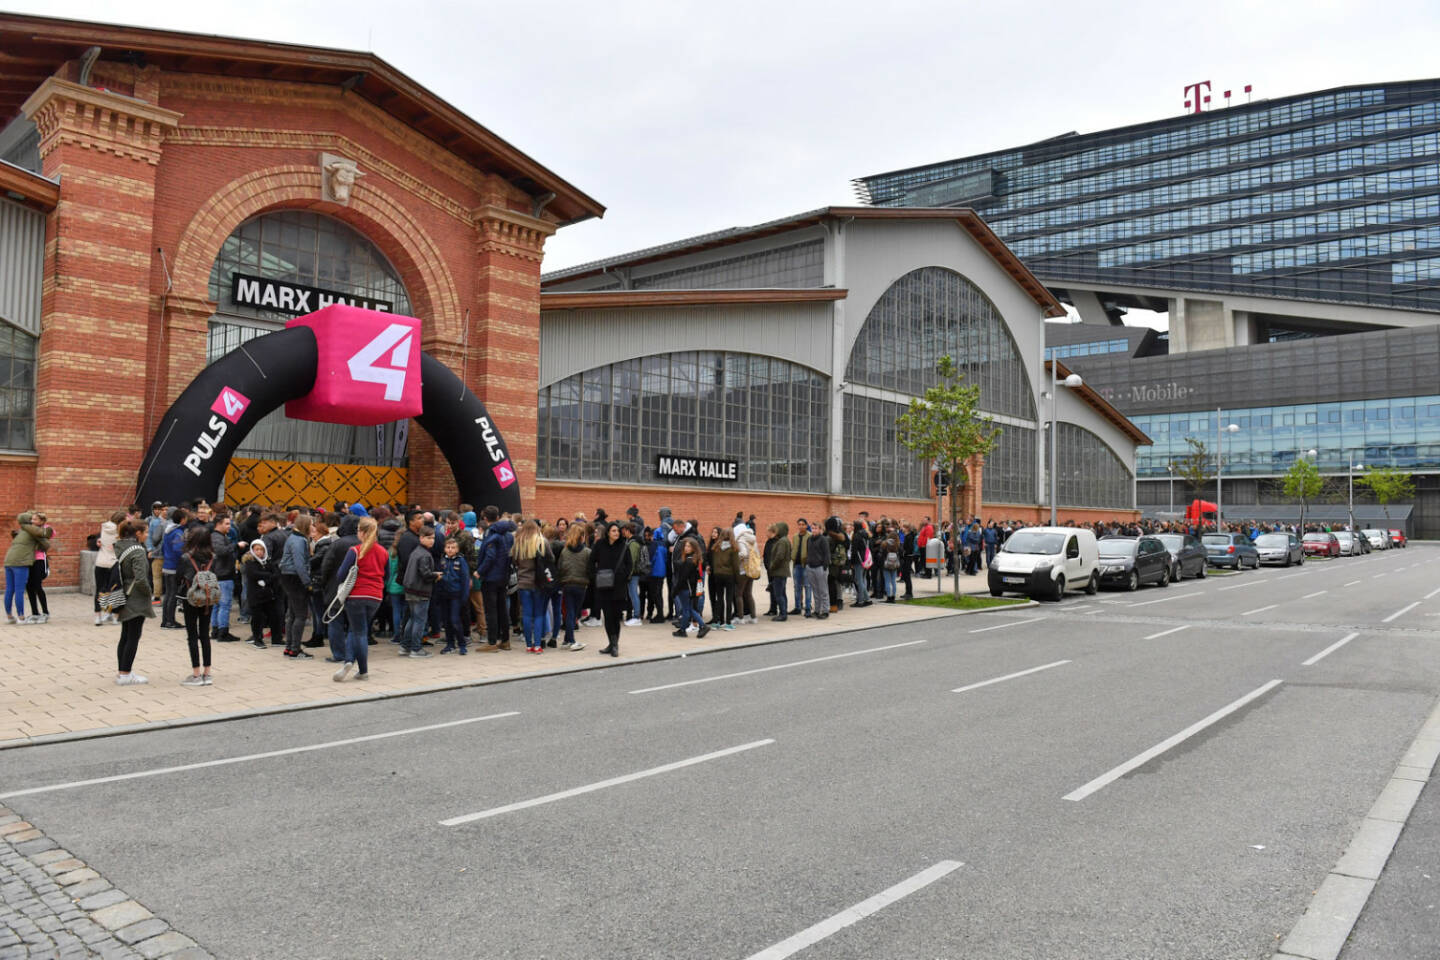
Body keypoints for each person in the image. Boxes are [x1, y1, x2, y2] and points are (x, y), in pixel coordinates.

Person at [332, 516, 387, 681]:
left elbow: (341, 574)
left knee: (358, 632)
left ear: (362, 532)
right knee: (359, 631)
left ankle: (359, 668)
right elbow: (387, 575)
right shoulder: (383, 551)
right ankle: (353, 665)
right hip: (375, 596)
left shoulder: (354, 551)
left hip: (356, 595)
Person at [112, 519, 154, 684]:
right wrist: (148, 592)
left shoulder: (120, 546)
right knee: (133, 636)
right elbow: (141, 578)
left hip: (123, 594)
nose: (147, 535)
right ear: (138, 534)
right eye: (146, 532)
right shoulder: (137, 550)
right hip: (135, 596)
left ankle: (122, 671)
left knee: (125, 634)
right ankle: (126, 673)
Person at [177, 526, 216, 685]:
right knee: (205, 634)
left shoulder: (186, 558)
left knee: (192, 635)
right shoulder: (214, 557)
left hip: (191, 598)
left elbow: (180, 576)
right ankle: (207, 673)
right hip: (208, 598)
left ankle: (196, 674)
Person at [475, 506, 515, 652]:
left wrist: (480, 571)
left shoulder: (491, 535)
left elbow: (490, 556)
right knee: (502, 608)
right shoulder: (508, 535)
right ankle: (505, 640)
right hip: (503, 576)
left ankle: (492, 642)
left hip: (491, 577)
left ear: (485, 519)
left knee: (491, 610)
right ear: (497, 517)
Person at [590, 521, 631, 656]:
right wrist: (595, 576)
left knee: (616, 617)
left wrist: (623, 576)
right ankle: (611, 643)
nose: (616, 533)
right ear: (608, 532)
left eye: (618, 531)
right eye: (613, 531)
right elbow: (591, 561)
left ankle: (615, 645)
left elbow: (629, 564)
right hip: (603, 586)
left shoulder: (624, 546)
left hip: (619, 587)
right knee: (607, 617)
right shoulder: (600, 545)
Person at [512, 520, 553, 653]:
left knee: (527, 614)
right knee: (539, 614)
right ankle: (537, 645)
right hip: (539, 582)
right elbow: (551, 559)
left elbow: (514, 561)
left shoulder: (518, 543)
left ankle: (528, 645)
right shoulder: (542, 542)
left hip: (523, 582)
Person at [279, 514, 313, 658]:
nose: (312, 526)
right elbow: (299, 564)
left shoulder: (292, 537)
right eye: (311, 524)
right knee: (300, 615)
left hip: (287, 576)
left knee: (292, 614)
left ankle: (289, 647)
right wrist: (307, 582)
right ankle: (295, 649)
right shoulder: (299, 541)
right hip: (295, 578)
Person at [401, 525, 438, 657]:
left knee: (413, 618)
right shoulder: (424, 554)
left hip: (411, 589)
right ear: (421, 538)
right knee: (419, 620)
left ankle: (405, 646)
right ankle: (416, 649)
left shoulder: (416, 551)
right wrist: (436, 575)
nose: (432, 540)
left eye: (433, 538)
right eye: (428, 538)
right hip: (420, 591)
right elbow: (425, 574)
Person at [5, 511, 47, 624]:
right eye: (32, 519)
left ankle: (9, 616)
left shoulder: (22, 530)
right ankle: (21, 617)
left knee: (9, 589)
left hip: (8, 561)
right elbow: (46, 543)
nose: (33, 520)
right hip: (20, 562)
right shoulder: (34, 531)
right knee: (19, 590)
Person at [241, 540, 280, 649]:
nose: (259, 552)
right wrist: (268, 575)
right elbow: (253, 574)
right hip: (255, 595)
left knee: (274, 616)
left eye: (261, 549)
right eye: (256, 549)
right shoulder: (250, 562)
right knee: (258, 618)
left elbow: (275, 574)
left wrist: (266, 579)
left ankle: (276, 639)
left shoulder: (267, 562)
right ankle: (257, 639)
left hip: (267, 594)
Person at [557, 522, 590, 650]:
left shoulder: (565, 551)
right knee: (574, 613)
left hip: (567, 584)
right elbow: (590, 569)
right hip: (581, 585)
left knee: (570, 612)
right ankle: (571, 640)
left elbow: (560, 567)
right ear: (581, 537)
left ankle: (566, 639)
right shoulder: (587, 552)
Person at [435, 535, 470, 654]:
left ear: (457, 549)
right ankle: (450, 644)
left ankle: (462, 644)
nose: (450, 550)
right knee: (446, 621)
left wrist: (464, 597)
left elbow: (465, 580)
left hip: (456, 595)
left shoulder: (461, 561)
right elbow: (439, 577)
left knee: (455, 620)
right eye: (448, 547)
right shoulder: (442, 560)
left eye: (453, 547)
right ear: (445, 548)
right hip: (444, 595)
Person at [670, 538, 710, 638]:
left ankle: (700, 626)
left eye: (689, 546)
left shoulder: (689, 561)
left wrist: (675, 590)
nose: (686, 548)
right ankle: (684, 629)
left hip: (686, 589)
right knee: (689, 609)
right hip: (691, 588)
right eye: (686, 546)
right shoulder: (695, 559)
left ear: (694, 548)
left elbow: (683, 578)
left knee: (688, 610)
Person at [160, 508, 188, 628]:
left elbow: (162, 548)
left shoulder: (168, 531)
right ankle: (170, 621)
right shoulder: (178, 533)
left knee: (168, 594)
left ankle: (165, 620)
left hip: (167, 565)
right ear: (182, 520)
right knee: (173, 594)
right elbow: (178, 550)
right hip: (174, 567)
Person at [94, 512, 122, 626]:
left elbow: (98, 540)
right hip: (114, 562)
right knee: (116, 589)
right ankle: (114, 616)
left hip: (100, 561)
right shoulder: (120, 532)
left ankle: (98, 617)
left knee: (100, 590)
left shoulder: (104, 528)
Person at [24, 513, 52, 623]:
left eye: (35, 519)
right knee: (29, 586)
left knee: (37, 586)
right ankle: (35, 613)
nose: (32, 521)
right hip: (28, 560)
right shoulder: (30, 529)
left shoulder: (46, 529)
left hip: (39, 560)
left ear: (42, 521)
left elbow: (49, 534)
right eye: (31, 519)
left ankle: (45, 612)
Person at [766, 521, 792, 621]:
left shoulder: (782, 541)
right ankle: (783, 612)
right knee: (782, 593)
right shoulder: (784, 540)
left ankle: (783, 614)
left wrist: (772, 566)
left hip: (779, 571)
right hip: (782, 571)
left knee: (779, 594)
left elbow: (779, 556)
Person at [806, 518, 831, 619]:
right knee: (815, 590)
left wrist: (824, 566)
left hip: (820, 567)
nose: (814, 530)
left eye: (816, 528)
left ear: (820, 529)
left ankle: (825, 610)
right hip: (810, 567)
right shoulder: (809, 539)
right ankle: (817, 610)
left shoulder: (823, 539)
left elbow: (826, 554)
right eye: (812, 528)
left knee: (823, 590)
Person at [789, 519, 811, 617]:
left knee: (807, 586)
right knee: (797, 587)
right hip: (796, 565)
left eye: (803, 524)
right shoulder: (795, 536)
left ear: (806, 526)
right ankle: (798, 607)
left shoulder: (809, 536)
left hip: (806, 565)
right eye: (799, 524)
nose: (801, 526)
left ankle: (808, 608)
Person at [849, 517, 872, 607]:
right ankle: (867, 599)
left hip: (858, 560)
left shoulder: (856, 536)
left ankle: (861, 601)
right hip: (865, 559)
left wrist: (851, 562)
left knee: (858, 580)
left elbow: (854, 550)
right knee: (861, 580)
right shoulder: (865, 534)